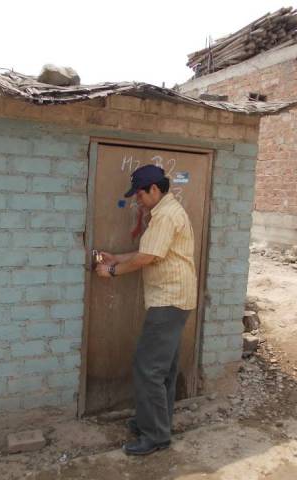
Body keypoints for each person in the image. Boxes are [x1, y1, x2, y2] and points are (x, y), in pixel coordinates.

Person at [95, 164, 197, 456]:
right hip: (176, 298)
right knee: (161, 370)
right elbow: (148, 253)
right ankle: (152, 422)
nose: (137, 200)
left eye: (139, 194)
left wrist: (112, 270)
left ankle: (155, 437)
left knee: (148, 368)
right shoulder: (166, 212)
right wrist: (118, 256)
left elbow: (147, 258)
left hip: (169, 301)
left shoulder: (165, 215)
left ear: (154, 189)